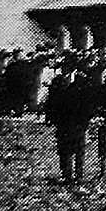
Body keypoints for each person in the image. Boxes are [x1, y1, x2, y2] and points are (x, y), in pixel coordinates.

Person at [44, 56, 93, 187]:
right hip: (69, 123)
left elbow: (87, 103)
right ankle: (71, 175)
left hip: (72, 123)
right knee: (70, 150)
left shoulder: (68, 83)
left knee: (73, 150)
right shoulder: (63, 83)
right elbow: (52, 103)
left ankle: (73, 175)